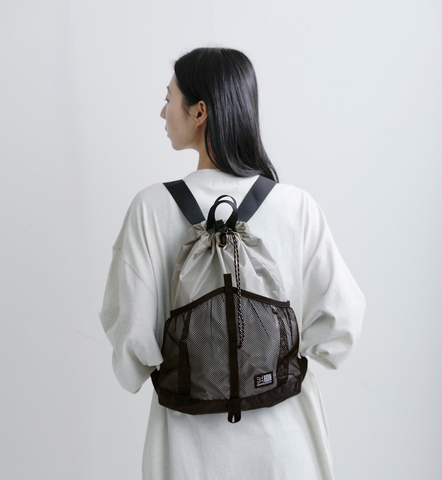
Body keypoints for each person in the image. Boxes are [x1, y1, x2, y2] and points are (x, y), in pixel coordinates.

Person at [99, 47, 366, 480]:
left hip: (187, 449)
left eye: (169, 98)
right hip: (285, 447)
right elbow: (340, 325)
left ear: (199, 111)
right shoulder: (296, 206)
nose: (163, 111)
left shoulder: (150, 208)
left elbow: (131, 343)